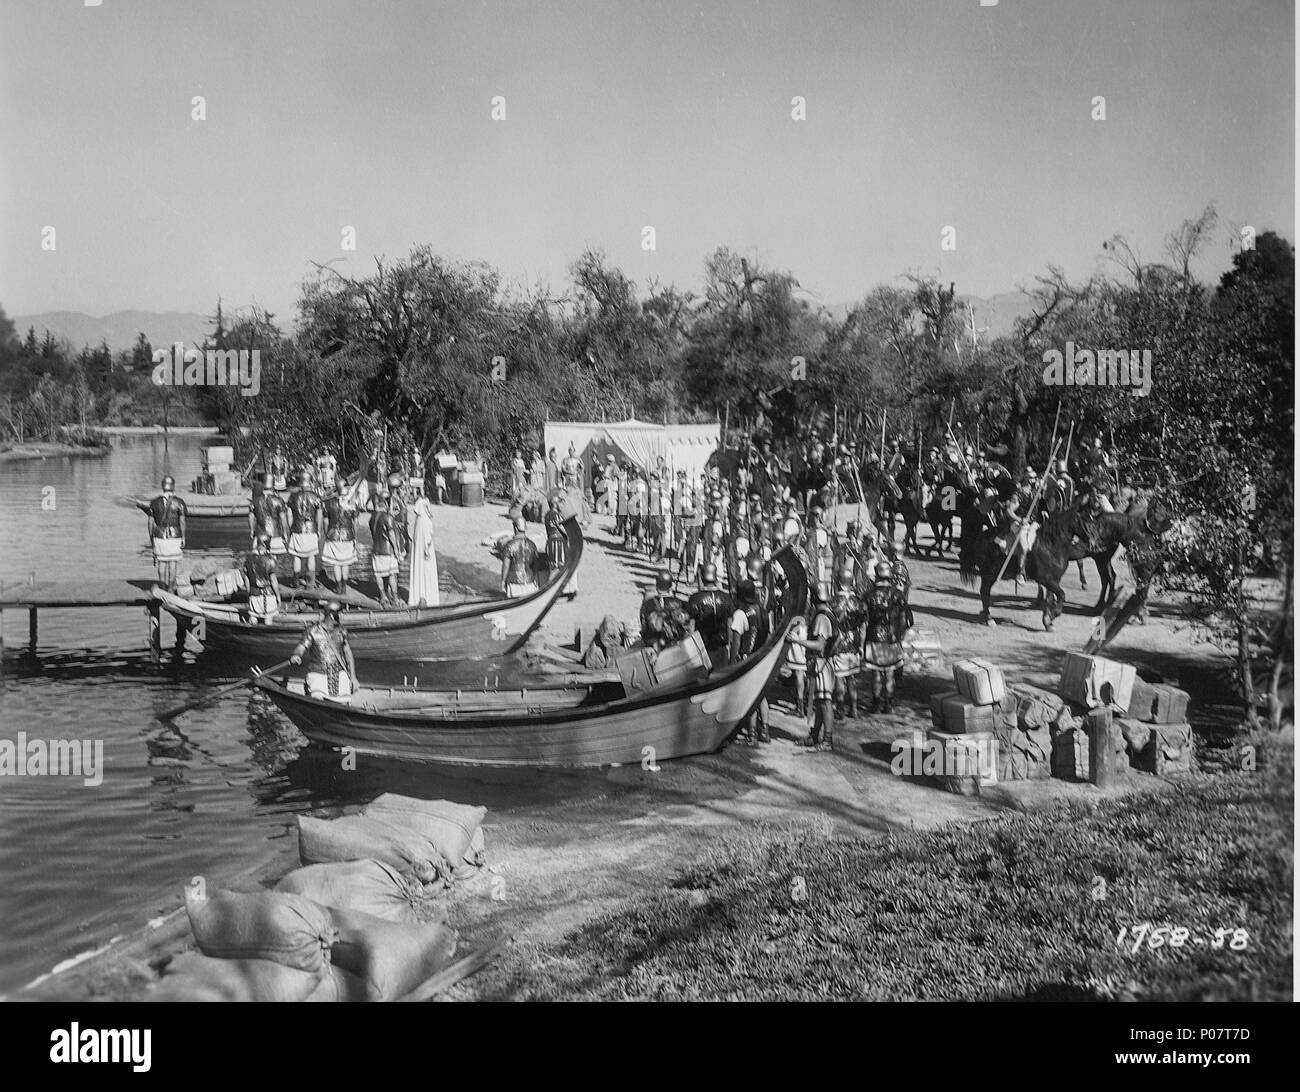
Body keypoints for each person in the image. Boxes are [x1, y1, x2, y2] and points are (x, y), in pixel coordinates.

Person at [787, 580, 837, 750]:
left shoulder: (822, 617)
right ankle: (815, 736)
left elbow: (820, 645)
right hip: (823, 662)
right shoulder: (827, 612)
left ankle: (827, 740)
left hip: (822, 664)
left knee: (825, 702)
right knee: (819, 702)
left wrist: (798, 641)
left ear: (814, 596)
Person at [728, 579, 771, 743]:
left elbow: (736, 641)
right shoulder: (763, 611)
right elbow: (767, 635)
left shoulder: (740, 614)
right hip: (762, 656)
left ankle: (752, 733)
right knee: (762, 695)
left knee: (751, 696)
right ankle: (765, 730)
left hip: (748, 658)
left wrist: (732, 662)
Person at [862, 561, 907, 713]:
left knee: (876, 673)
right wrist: (900, 636)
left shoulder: (868, 596)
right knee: (889, 674)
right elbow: (903, 619)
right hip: (893, 638)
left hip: (874, 637)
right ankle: (888, 704)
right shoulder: (898, 594)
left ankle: (876, 704)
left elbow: (865, 620)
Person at [291, 601, 357, 703]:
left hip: (339, 673)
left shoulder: (342, 631)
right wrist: (296, 655)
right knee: (318, 702)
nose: (343, 616)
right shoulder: (312, 631)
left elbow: (348, 653)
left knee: (344, 703)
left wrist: (353, 677)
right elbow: (301, 647)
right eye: (340, 613)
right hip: (317, 674)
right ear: (331, 615)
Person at [830, 563, 865, 719]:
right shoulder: (858, 602)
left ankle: (840, 709)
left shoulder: (833, 602)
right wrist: (862, 646)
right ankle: (854, 709)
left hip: (839, 643)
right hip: (854, 642)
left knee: (839, 677)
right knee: (851, 678)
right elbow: (863, 626)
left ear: (838, 581)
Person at [147, 475, 187, 590]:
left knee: (161, 563)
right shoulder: (179, 502)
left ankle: (162, 588)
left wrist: (151, 538)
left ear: (162, 486)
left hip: (159, 536)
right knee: (173, 562)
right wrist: (183, 537)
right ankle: (171, 589)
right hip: (175, 536)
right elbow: (182, 522)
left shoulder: (154, 502)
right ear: (173, 486)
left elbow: (150, 523)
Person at [321, 473, 358, 596]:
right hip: (348, 535)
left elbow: (325, 521)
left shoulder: (329, 502)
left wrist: (326, 533)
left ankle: (338, 587)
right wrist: (355, 536)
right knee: (345, 563)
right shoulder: (351, 503)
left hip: (333, 535)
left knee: (337, 563)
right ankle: (344, 587)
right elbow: (355, 523)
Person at [287, 469, 323, 590]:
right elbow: (319, 515)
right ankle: (310, 583)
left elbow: (289, 515)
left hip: (297, 528)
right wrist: (319, 529)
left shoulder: (293, 497)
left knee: (296, 556)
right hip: (311, 529)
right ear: (310, 482)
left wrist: (290, 528)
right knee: (311, 555)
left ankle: (296, 582)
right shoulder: (316, 497)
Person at [405, 481, 440, 607]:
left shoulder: (420, 521)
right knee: (427, 570)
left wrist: (425, 548)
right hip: (425, 549)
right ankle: (427, 596)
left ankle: (419, 595)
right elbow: (429, 536)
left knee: (421, 569)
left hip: (422, 550)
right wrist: (427, 548)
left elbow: (423, 537)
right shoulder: (426, 520)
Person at [686, 564, 733, 654]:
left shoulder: (695, 598)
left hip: (702, 646)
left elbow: (691, 626)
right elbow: (730, 624)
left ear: (702, 577)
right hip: (722, 645)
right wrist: (730, 645)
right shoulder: (726, 597)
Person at [369, 491, 403, 606]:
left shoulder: (371, 518)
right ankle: (395, 597)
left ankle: (383, 597)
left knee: (379, 574)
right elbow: (392, 536)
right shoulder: (388, 517)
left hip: (376, 550)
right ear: (386, 506)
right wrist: (397, 550)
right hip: (388, 551)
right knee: (392, 574)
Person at [641, 569, 687, 650]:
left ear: (657, 586)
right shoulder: (679, 603)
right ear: (671, 586)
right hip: (674, 646)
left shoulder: (646, 604)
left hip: (653, 645)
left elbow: (644, 626)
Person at [543, 494, 576, 597]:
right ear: (555, 503)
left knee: (555, 566)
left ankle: (556, 590)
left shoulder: (547, 514)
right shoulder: (556, 515)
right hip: (558, 543)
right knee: (557, 567)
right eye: (559, 502)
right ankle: (550, 592)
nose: (561, 505)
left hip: (551, 542)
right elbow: (564, 530)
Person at [244, 534, 281, 623]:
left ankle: (251, 633)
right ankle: (268, 634)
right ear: (266, 545)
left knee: (253, 617)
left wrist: (249, 593)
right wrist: (278, 596)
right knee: (268, 619)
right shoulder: (271, 560)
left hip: (254, 594)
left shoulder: (248, 561)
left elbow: (247, 580)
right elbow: (274, 581)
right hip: (268, 595)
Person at [500, 516, 540, 597]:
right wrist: (535, 577)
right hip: (530, 581)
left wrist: (503, 580)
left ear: (515, 528)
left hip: (514, 582)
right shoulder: (532, 545)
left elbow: (506, 565)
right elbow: (535, 564)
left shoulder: (509, 545)